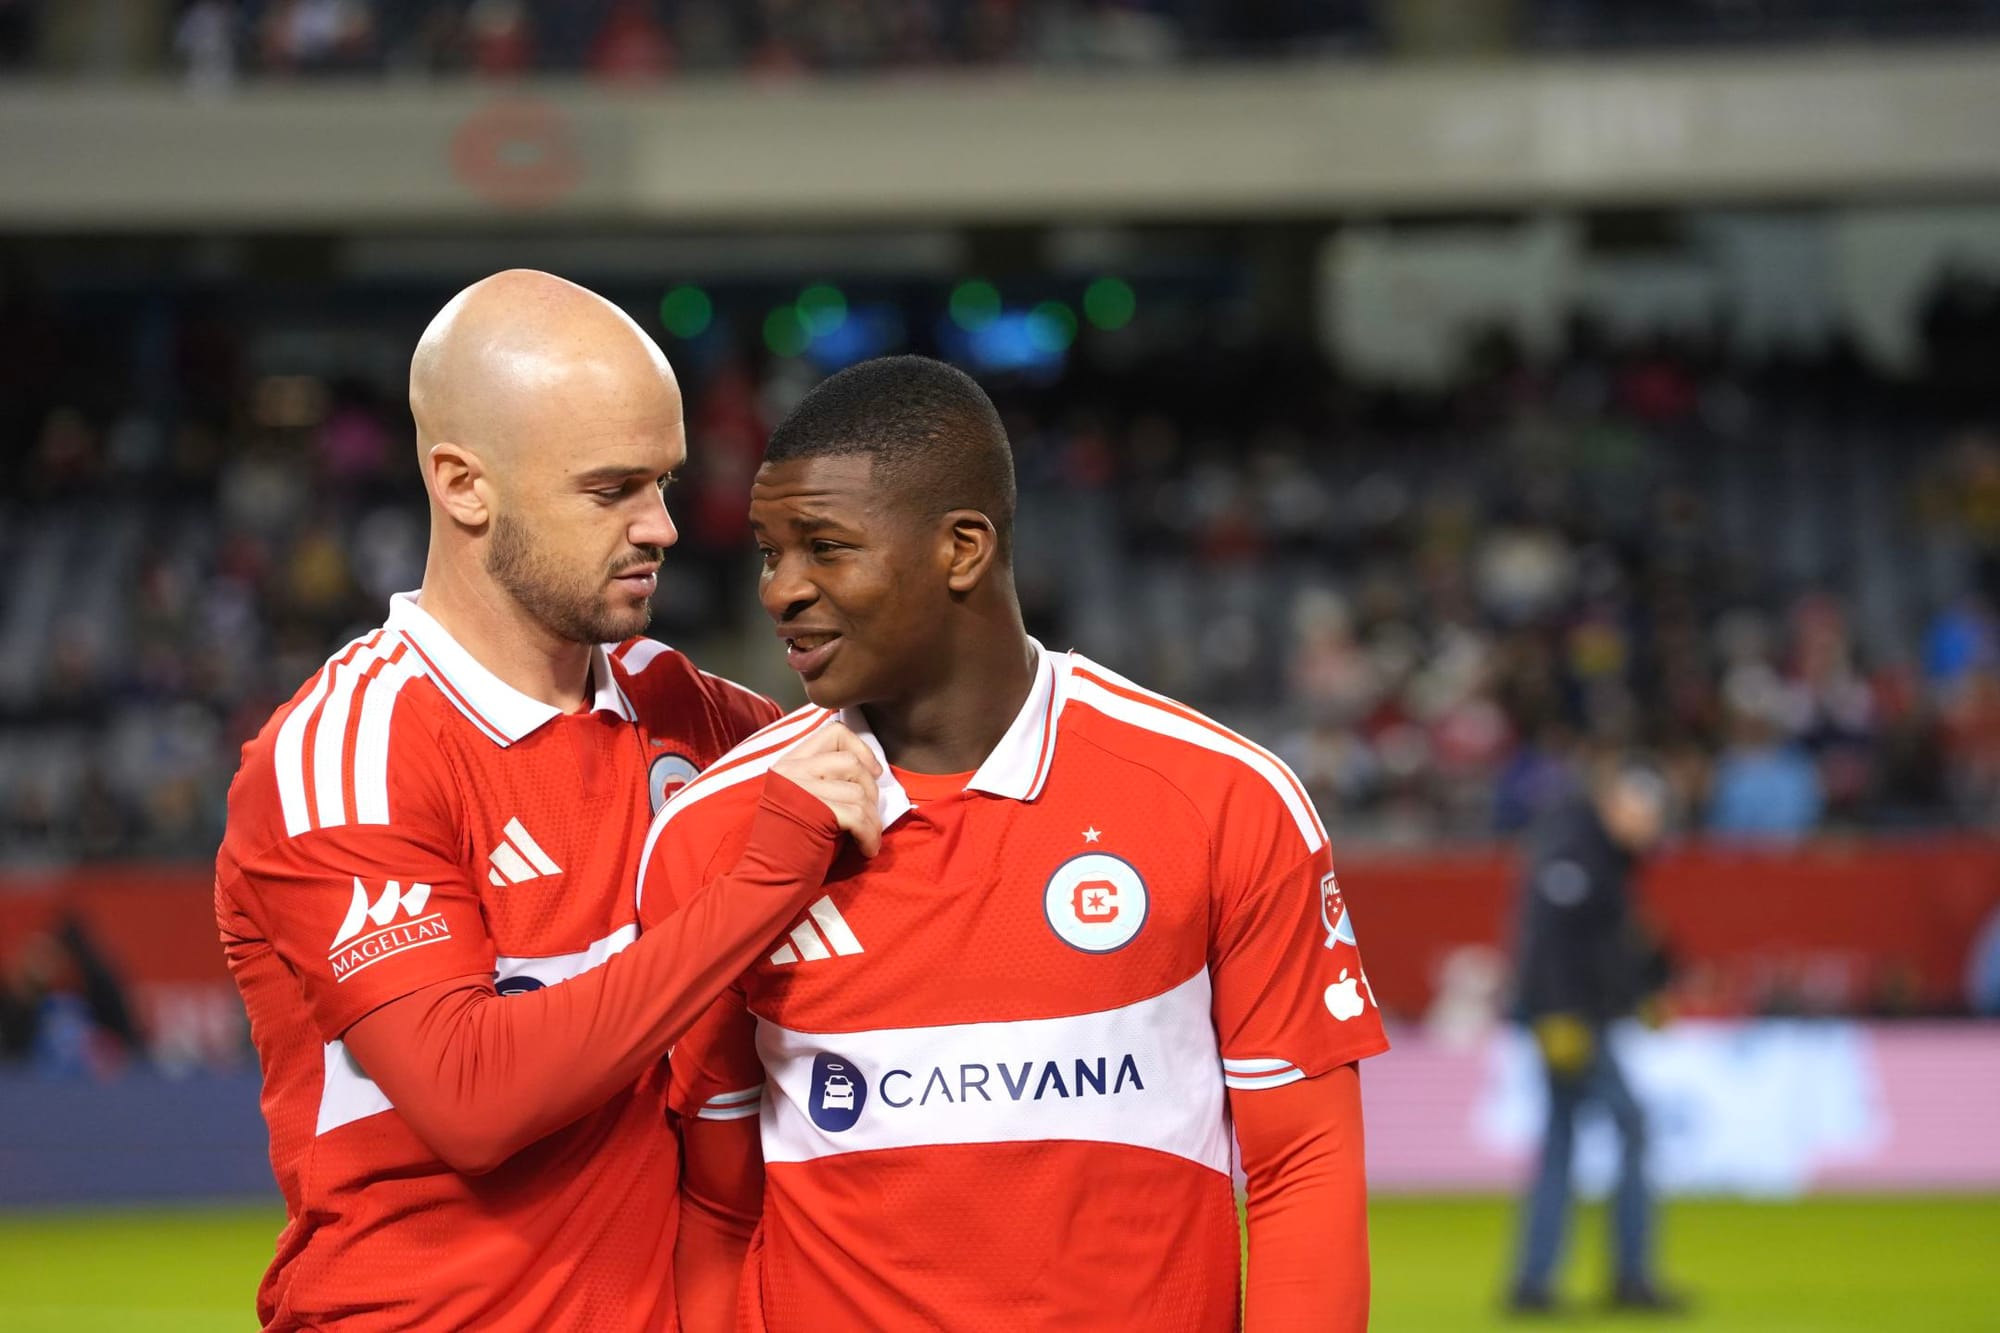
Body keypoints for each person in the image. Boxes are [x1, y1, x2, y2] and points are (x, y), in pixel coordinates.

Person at [638, 355, 1389, 1332]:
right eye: (769, 553)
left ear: (961, 548)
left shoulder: (1223, 800)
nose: (781, 590)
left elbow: (1302, 1166)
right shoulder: (712, 835)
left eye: (823, 547)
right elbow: (716, 1204)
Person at [214, 270, 882, 1332]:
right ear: (463, 484)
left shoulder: (685, 710)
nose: (662, 526)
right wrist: (764, 874)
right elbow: (472, 1097)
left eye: (664, 482)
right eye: (611, 490)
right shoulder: (346, 754)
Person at [1507, 756, 1683, 1314]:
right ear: (1620, 806)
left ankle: (1534, 1283)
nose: (1653, 828)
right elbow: (1550, 940)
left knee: (1561, 1141)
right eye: (1648, 814)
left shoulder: (1600, 854)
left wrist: (1644, 991)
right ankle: (1630, 1277)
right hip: (1572, 1020)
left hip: (1580, 1017)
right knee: (1631, 1126)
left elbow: (1605, 941)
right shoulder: (1577, 850)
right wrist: (1554, 1012)